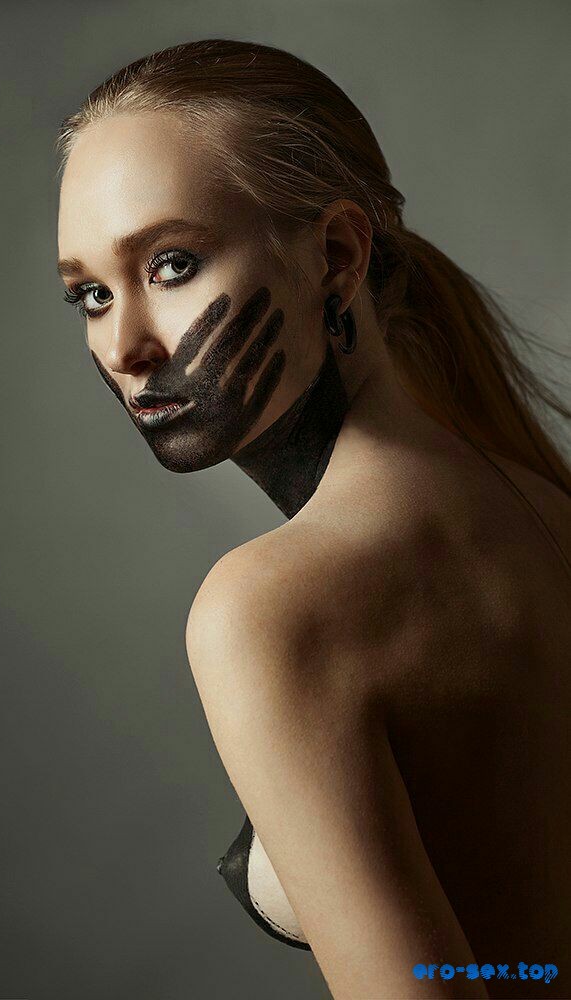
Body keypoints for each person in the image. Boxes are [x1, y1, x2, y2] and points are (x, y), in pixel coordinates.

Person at [55, 38, 570, 1000]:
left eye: (170, 264)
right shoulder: (540, 505)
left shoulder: (270, 607)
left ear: (335, 256)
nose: (123, 345)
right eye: (89, 293)